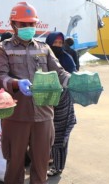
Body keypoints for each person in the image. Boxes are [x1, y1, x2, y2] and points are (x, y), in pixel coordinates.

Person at [0, 2, 70, 184]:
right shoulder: (3, 48)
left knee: (41, 164)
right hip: (15, 115)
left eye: (31, 24)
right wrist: (16, 83)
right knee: (15, 164)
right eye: (23, 24)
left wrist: (74, 80)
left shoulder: (44, 48)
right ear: (13, 25)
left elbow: (59, 72)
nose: (28, 28)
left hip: (43, 115)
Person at [45, 32, 77, 176]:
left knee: (60, 135)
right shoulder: (41, 57)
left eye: (60, 43)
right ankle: (48, 159)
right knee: (45, 132)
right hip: (44, 99)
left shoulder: (67, 58)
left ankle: (58, 166)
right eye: (55, 43)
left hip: (63, 100)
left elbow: (73, 76)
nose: (57, 46)